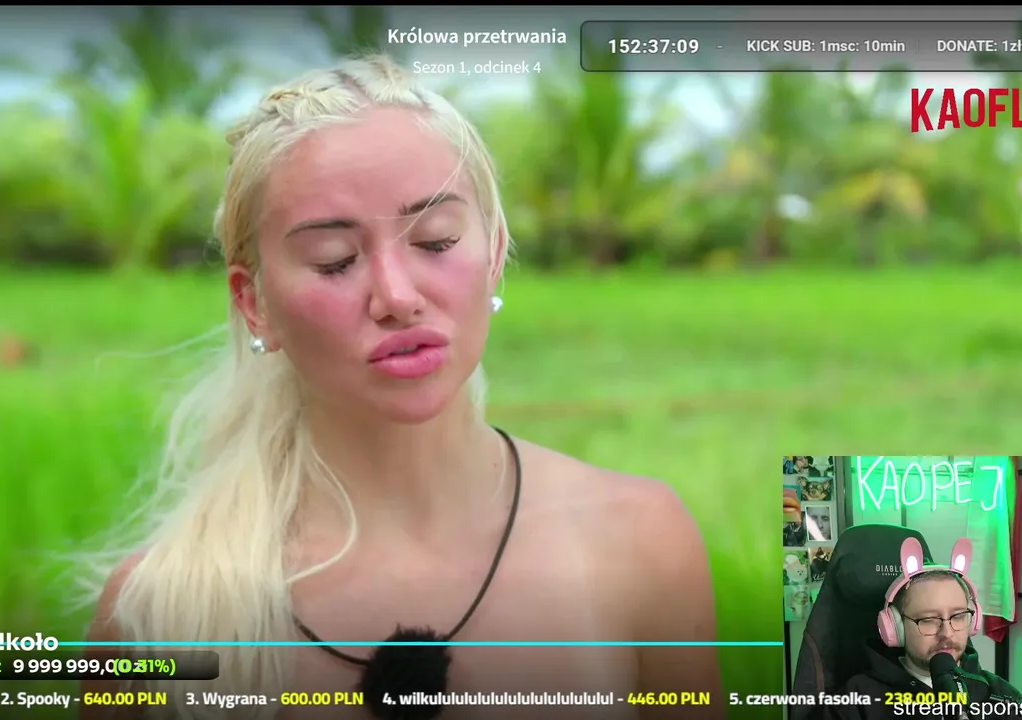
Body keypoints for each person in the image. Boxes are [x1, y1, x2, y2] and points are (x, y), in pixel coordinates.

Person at [80, 55, 722, 719]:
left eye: (436, 241)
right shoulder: (157, 615)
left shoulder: (640, 542)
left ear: (495, 252)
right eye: (335, 261)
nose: (396, 295)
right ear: (255, 303)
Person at [837, 539, 1022, 720]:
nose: (947, 633)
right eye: (928, 620)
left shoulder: (1000, 695)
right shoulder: (856, 702)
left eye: (958, 616)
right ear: (895, 627)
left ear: (973, 619)